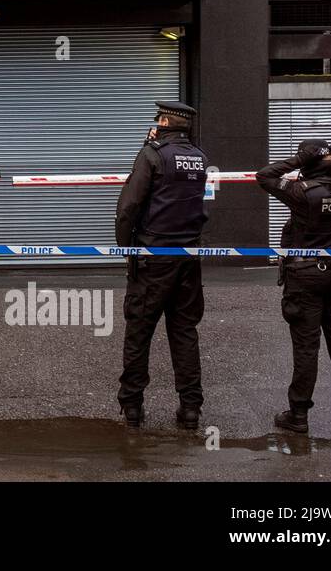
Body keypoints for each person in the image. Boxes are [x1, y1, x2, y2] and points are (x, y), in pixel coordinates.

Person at [256, 140, 331, 433]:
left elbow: (265, 176)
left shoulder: (303, 193)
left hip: (305, 274)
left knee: (306, 347)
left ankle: (298, 415)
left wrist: (295, 160)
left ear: (306, 163)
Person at [114, 100, 210, 429]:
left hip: (153, 257)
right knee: (184, 332)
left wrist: (126, 249)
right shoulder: (199, 158)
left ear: (164, 122)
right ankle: (190, 409)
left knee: (139, 331)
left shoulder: (152, 155)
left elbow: (129, 205)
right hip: (188, 258)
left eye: (157, 119)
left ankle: (133, 407)